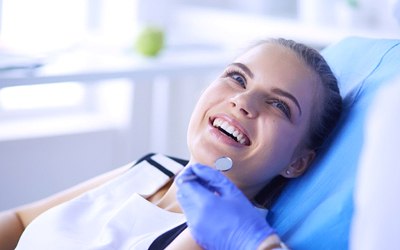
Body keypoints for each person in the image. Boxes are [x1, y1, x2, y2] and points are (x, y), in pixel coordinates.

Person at [0, 38, 342, 250]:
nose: (243, 101)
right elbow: (19, 222)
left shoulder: (219, 235)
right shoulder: (153, 167)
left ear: (297, 162)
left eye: (279, 105)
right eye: (237, 78)